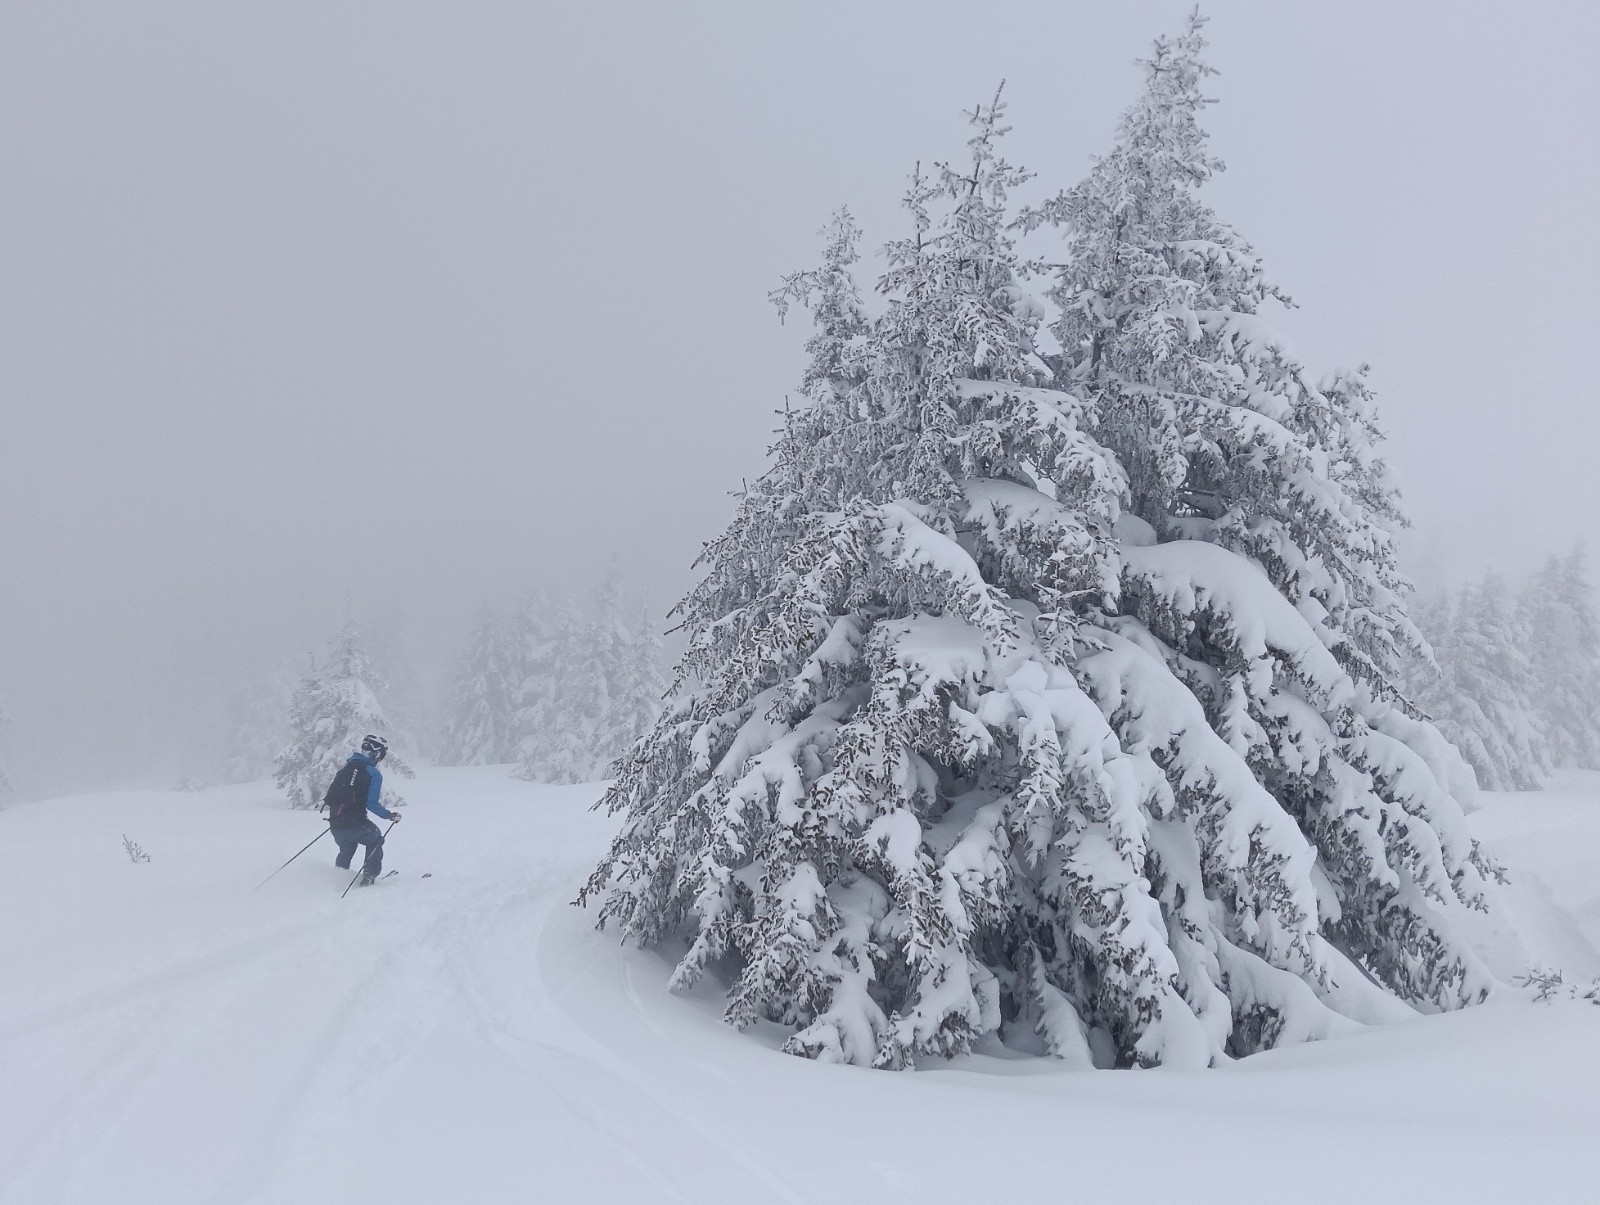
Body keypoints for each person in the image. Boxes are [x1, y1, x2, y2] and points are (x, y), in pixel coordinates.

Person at [324, 734, 400, 885]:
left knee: (347, 847)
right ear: (376, 754)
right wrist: (389, 815)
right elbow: (371, 804)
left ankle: (338, 877)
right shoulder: (373, 774)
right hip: (356, 825)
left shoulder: (346, 768)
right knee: (376, 838)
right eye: (380, 756)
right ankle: (369, 876)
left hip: (336, 824)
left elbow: (330, 797)